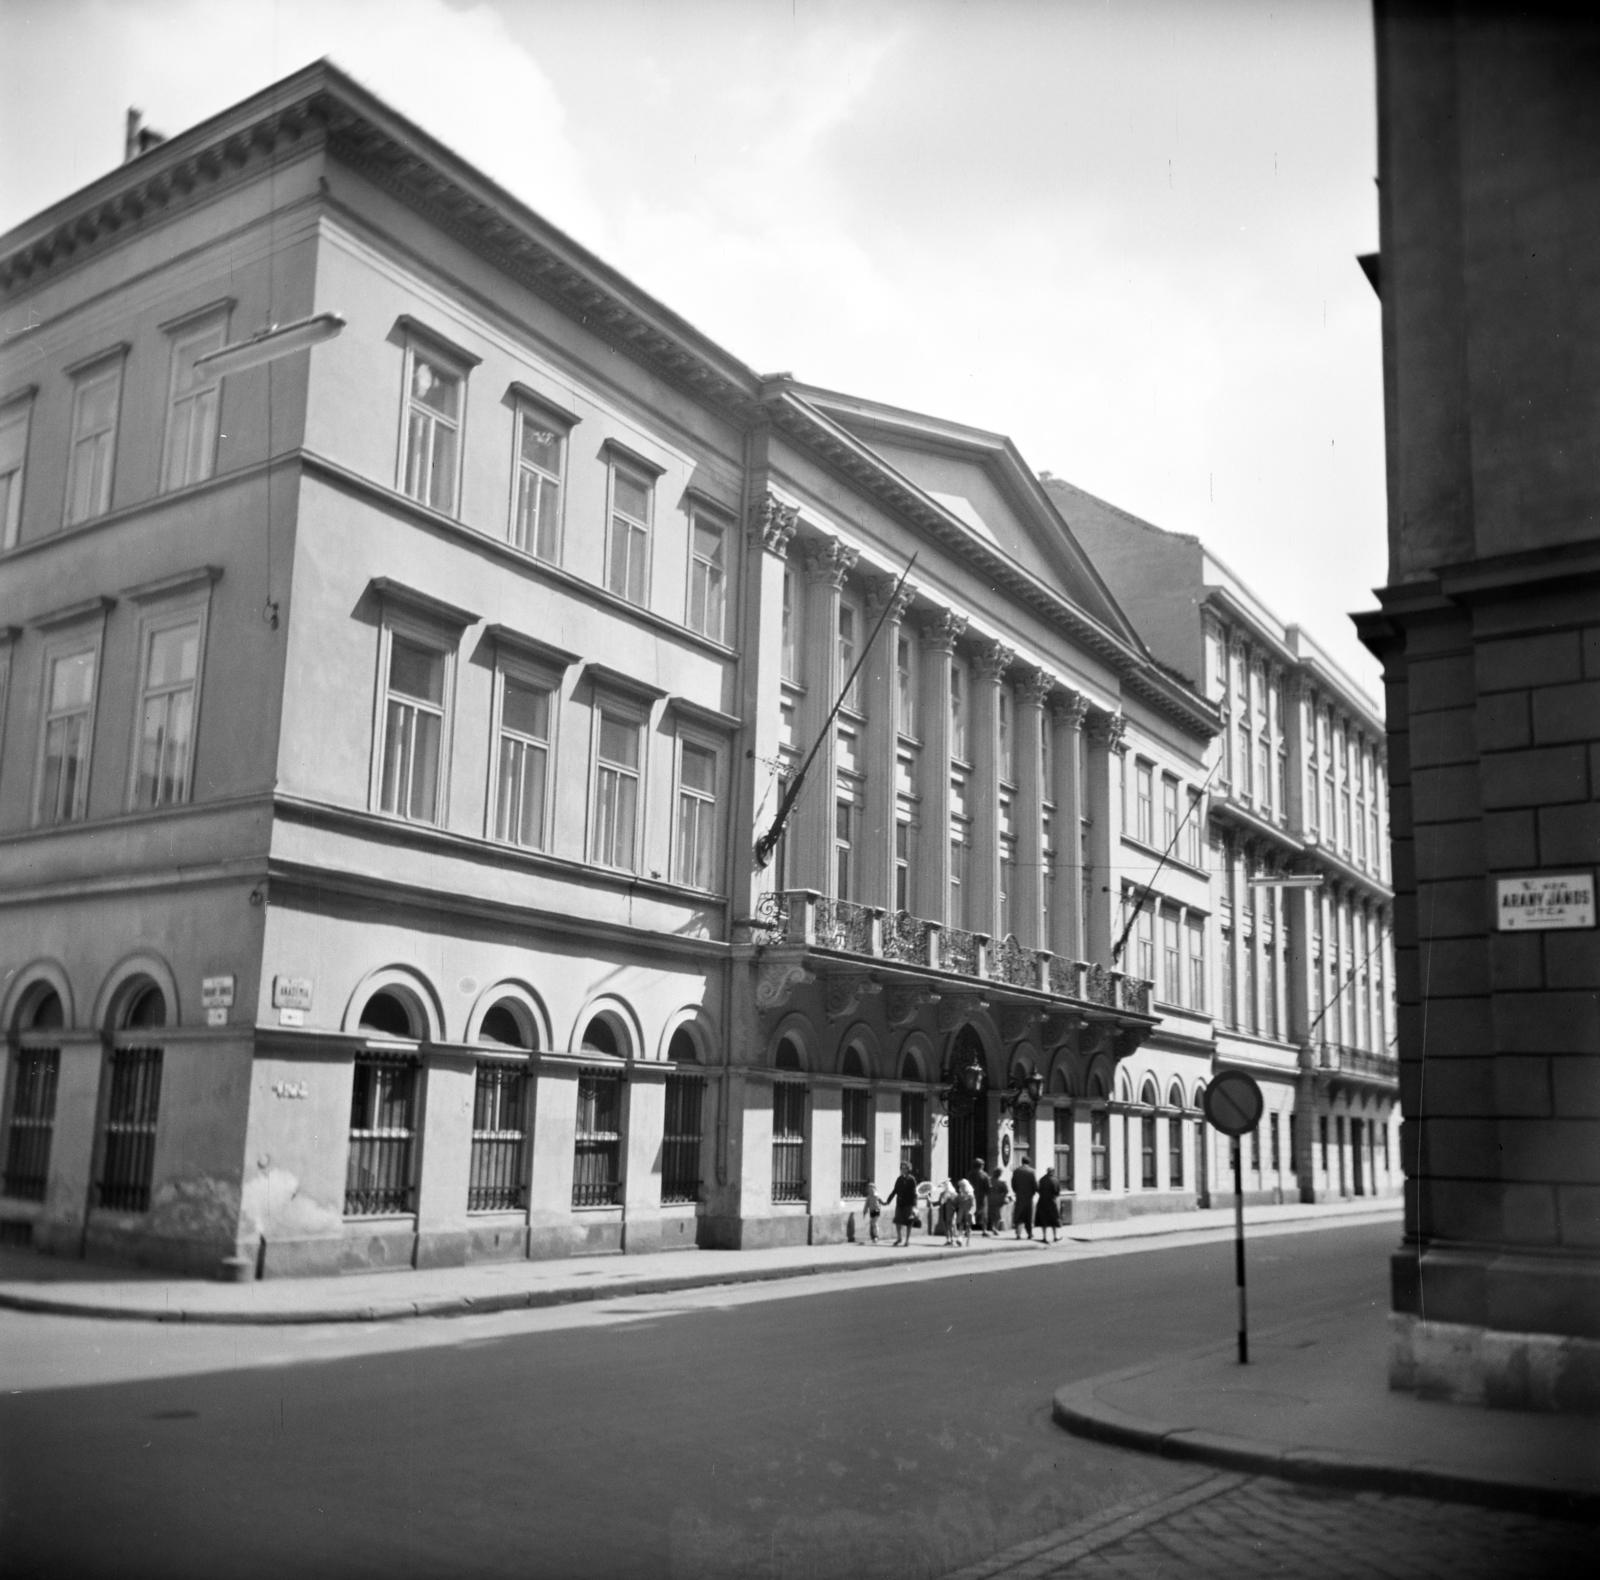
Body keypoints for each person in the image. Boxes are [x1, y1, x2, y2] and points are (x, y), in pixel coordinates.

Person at [886, 1163, 919, 1248]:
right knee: (897, 1221)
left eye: (905, 1168)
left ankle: (907, 1240)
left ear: (909, 1169)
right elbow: (895, 1190)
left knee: (908, 1222)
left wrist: (914, 1205)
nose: (903, 1170)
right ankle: (899, 1238)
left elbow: (914, 1193)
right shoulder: (899, 1179)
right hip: (899, 1203)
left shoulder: (912, 1179)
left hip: (908, 1204)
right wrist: (888, 1200)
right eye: (902, 1168)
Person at [1011, 1152, 1038, 1240]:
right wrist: (1033, 1192)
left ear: (1022, 1162)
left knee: (1019, 1215)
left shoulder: (1016, 1171)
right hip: (1028, 1197)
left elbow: (1013, 1184)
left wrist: (1017, 1191)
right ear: (1029, 1162)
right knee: (1028, 1216)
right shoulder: (1032, 1171)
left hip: (1019, 1197)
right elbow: (1035, 1185)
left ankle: (1018, 1234)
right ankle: (1029, 1233)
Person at [1035, 1165, 1062, 1243]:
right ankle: (1055, 1236)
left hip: (1042, 1201)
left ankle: (1044, 1237)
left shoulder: (1042, 1179)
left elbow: (1038, 1190)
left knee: (1043, 1220)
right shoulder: (1055, 1180)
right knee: (1053, 1219)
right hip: (1051, 1202)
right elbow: (1057, 1192)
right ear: (1053, 1172)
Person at [968, 1157, 993, 1236]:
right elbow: (988, 1187)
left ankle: (968, 1230)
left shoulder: (970, 1174)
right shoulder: (984, 1175)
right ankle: (984, 1231)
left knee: (971, 1212)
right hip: (982, 1197)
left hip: (971, 1195)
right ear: (981, 1165)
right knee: (983, 1214)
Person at [985, 1167, 1011, 1235]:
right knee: (997, 1215)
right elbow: (1006, 1191)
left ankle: (987, 1228)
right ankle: (995, 1228)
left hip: (989, 1199)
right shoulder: (1001, 1182)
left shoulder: (989, 1180)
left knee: (989, 1214)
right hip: (998, 1200)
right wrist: (1003, 1196)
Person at [955, 1177, 976, 1245]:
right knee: (961, 1226)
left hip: (968, 1214)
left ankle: (968, 1241)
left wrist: (971, 1212)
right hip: (961, 1213)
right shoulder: (960, 1196)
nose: (962, 1188)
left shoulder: (971, 1196)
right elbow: (955, 1202)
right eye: (961, 1186)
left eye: (963, 1186)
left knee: (968, 1227)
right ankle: (960, 1239)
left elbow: (974, 1206)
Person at [863, 1179, 883, 1243]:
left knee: (874, 1223)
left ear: (875, 1189)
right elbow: (866, 1205)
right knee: (872, 1223)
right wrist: (865, 1211)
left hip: (877, 1211)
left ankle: (876, 1236)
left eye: (872, 1189)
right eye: (869, 1190)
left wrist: (881, 1205)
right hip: (871, 1211)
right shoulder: (868, 1197)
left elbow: (881, 1202)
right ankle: (873, 1236)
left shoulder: (877, 1196)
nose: (870, 1191)